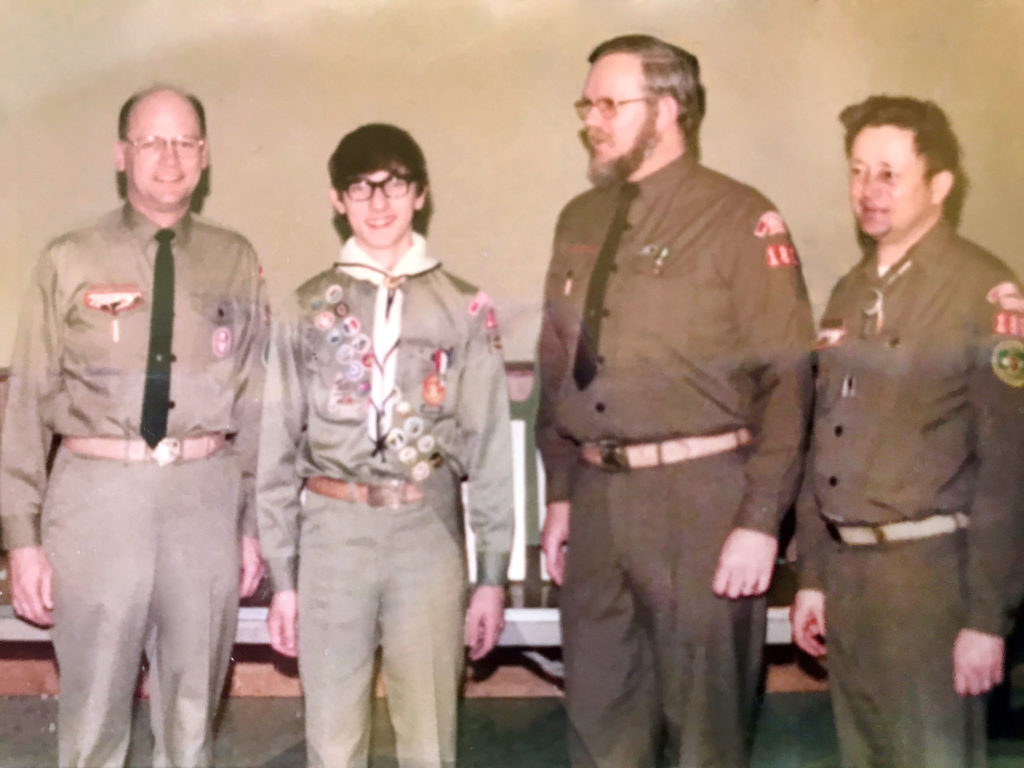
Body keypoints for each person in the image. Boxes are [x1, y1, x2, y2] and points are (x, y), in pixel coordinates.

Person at [536, 34, 814, 768]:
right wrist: (562, 492)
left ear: (668, 110)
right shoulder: (579, 221)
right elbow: (557, 368)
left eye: (609, 104)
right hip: (596, 504)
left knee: (704, 734)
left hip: (700, 507)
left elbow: (788, 379)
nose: (590, 120)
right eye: (586, 104)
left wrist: (761, 521)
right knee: (599, 727)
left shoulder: (739, 218)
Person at [0, 85, 267, 767]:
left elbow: (256, 404)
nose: (169, 157)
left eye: (184, 142)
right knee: (91, 719)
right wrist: (21, 540)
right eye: (152, 141)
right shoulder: (68, 259)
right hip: (95, 502)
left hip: (203, 502)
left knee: (191, 719)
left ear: (204, 157)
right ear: (122, 155)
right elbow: (27, 402)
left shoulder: (236, 258)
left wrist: (251, 526)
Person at [257, 123, 513, 768]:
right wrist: (283, 579)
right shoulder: (309, 306)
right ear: (336, 200)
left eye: (394, 183)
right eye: (360, 187)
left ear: (420, 194)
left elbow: (487, 452)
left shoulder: (462, 308)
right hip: (333, 534)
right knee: (333, 736)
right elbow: (276, 453)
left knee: (428, 733)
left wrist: (491, 577)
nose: (378, 201)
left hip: (425, 533)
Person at [791, 95, 1024, 768]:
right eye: (858, 171)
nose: (868, 190)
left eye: (889, 173)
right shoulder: (850, 291)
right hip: (849, 577)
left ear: (940, 185)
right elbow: (822, 442)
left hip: (930, 587)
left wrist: (986, 618)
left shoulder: (984, 293)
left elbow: (1008, 471)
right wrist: (813, 574)